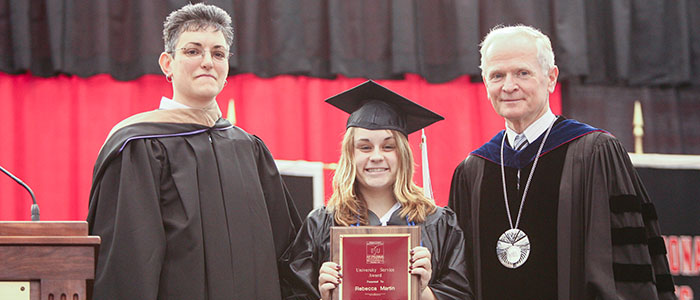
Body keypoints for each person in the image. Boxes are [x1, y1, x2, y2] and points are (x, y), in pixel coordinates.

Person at [86, 3, 301, 299]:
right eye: (192, 51)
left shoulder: (248, 149)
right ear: (167, 63)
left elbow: (287, 252)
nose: (207, 62)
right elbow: (128, 263)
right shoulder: (139, 146)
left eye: (218, 53)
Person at [448, 24, 676, 300]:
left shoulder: (595, 153)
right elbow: (457, 279)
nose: (509, 86)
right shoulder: (473, 171)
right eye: (497, 75)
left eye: (522, 73)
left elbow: (628, 267)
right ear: (485, 83)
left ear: (551, 78)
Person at [281, 80, 473, 300]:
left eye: (388, 146)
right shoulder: (321, 224)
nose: (376, 156)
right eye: (364, 147)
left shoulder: (438, 223)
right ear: (350, 155)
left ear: (403, 154)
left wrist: (423, 292)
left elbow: (462, 294)